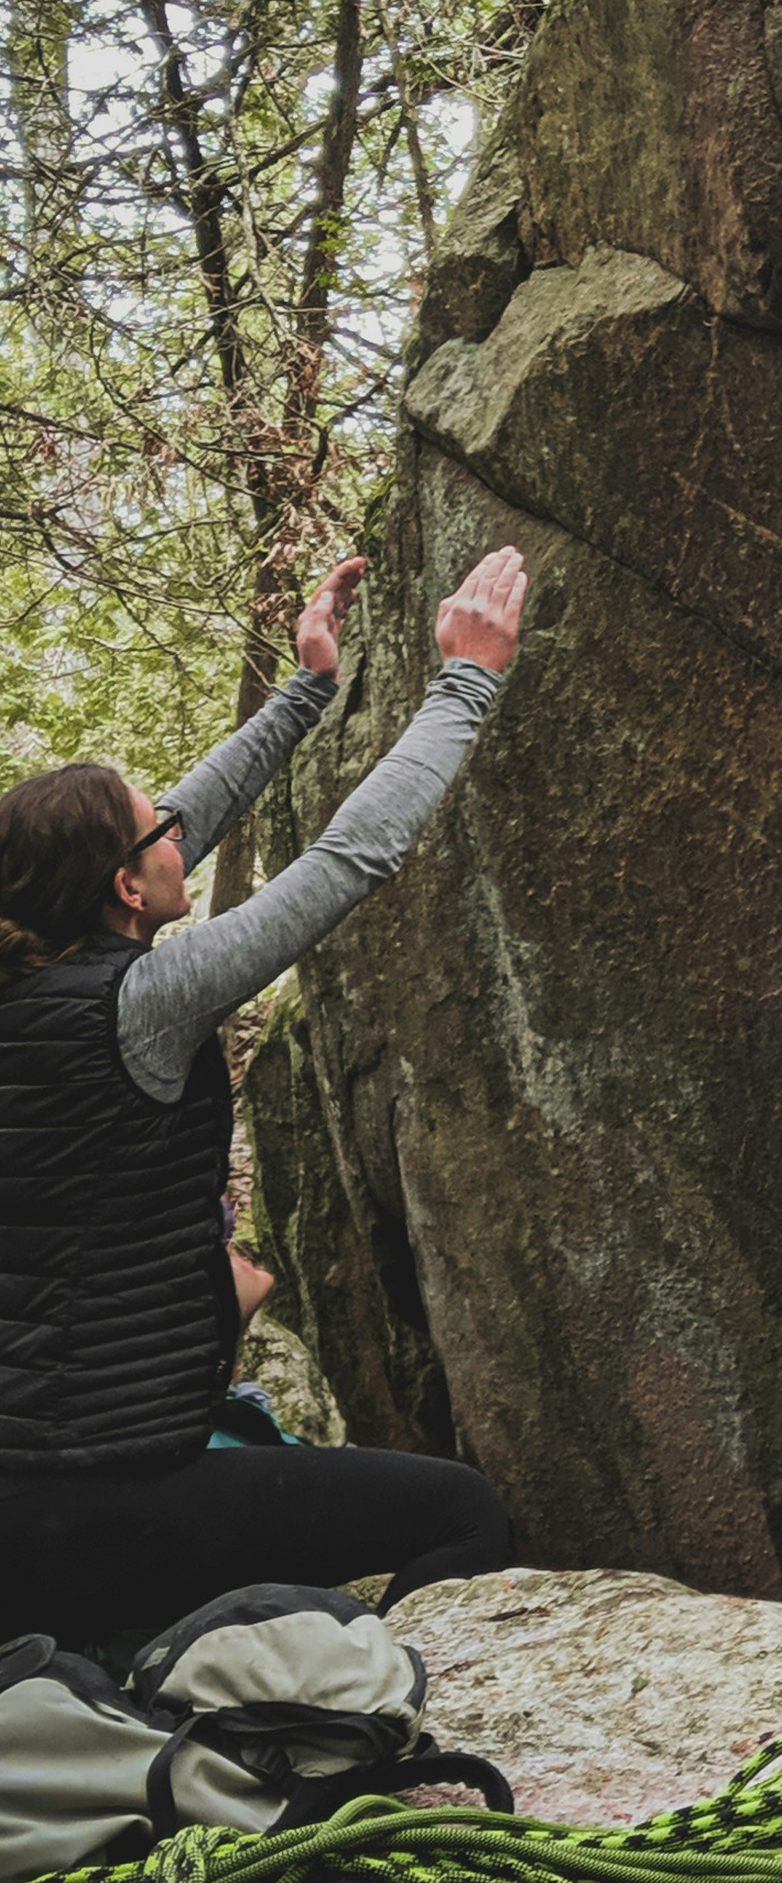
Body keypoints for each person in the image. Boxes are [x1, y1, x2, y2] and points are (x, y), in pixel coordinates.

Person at [0, 548, 529, 1641]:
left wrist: (309, 689)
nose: (180, 835)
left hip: (23, 1490)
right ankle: (343, 1747)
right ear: (120, 885)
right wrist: (468, 679)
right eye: (160, 834)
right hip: (106, 1504)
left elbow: (177, 816)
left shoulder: (33, 975)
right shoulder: (142, 1000)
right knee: (462, 1513)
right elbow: (346, 860)